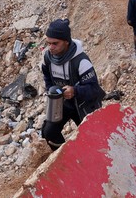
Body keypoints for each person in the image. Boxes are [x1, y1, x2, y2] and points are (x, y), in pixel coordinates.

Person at [41, 18, 104, 151]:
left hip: (83, 105)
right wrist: (52, 91)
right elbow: (47, 76)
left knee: (93, 142)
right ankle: (63, 156)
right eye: (49, 43)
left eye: (55, 43)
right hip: (62, 104)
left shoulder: (81, 61)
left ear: (66, 41)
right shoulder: (48, 58)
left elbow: (94, 89)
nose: (51, 47)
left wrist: (75, 91)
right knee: (49, 132)